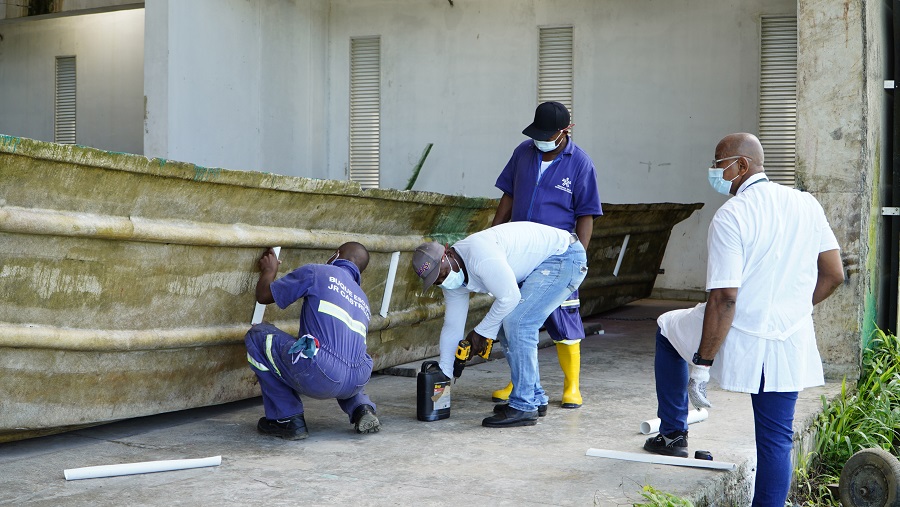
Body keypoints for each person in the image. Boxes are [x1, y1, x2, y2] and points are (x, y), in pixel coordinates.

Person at [642, 133, 844, 506]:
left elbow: (724, 297)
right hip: (789, 335)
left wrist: (702, 363)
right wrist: (795, 308)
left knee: (667, 328)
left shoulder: (732, 214)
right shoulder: (806, 203)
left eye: (719, 165)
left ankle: (672, 432)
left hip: (739, 329)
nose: (715, 172)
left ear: (742, 166)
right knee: (776, 440)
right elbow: (833, 274)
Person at [410, 221, 588, 428]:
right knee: (507, 324)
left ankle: (524, 405)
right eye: (435, 280)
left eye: (440, 274)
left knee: (519, 323)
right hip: (546, 262)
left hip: (564, 256)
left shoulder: (479, 255)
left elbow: (509, 297)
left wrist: (481, 332)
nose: (442, 280)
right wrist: (446, 372)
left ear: (447, 253)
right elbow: (452, 326)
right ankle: (534, 396)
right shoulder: (452, 279)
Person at [490, 101, 602, 409]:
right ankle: (519, 382)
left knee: (563, 318)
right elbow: (508, 195)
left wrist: (578, 257)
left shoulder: (580, 163)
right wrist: (493, 233)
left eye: (547, 134)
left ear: (566, 131)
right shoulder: (523, 153)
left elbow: (586, 214)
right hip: (520, 252)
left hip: (559, 256)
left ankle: (572, 386)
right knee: (513, 317)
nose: (540, 140)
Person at [244, 242, 380, 440]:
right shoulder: (363, 298)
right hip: (359, 379)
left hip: (321, 372)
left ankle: (287, 418)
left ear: (336, 255)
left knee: (257, 336)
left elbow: (264, 295)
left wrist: (270, 270)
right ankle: (362, 408)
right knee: (345, 355)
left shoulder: (318, 272)